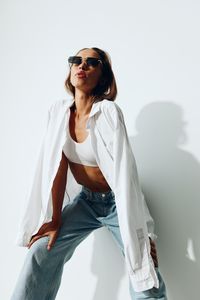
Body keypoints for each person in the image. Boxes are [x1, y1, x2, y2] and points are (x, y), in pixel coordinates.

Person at [11, 47, 167, 299]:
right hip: (86, 201)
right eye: (76, 60)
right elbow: (56, 167)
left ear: (103, 77)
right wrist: (54, 219)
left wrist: (143, 230)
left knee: (143, 265)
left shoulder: (108, 112)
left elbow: (127, 175)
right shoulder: (58, 112)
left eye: (91, 62)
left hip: (118, 203)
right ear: (70, 70)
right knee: (41, 250)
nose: (81, 66)